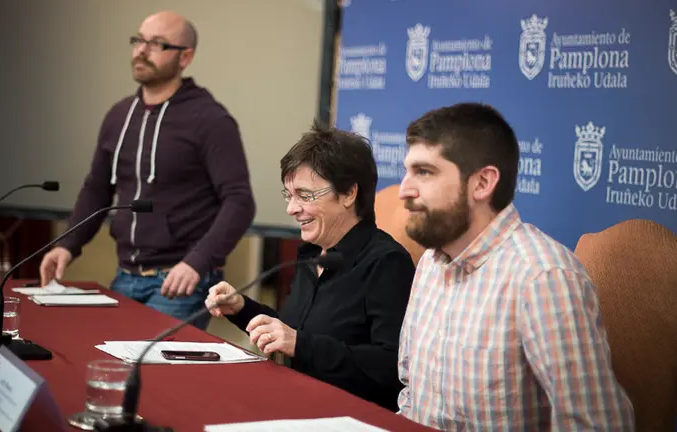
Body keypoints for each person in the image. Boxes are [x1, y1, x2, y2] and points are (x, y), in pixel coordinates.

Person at [396, 103, 635, 430]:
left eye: (424, 172)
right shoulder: (430, 264)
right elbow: (413, 397)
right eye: (407, 171)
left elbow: (596, 426)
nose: (404, 190)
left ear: (482, 183)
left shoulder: (543, 277)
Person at [39, 11, 255, 329]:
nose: (141, 50)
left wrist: (197, 262)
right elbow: (97, 188)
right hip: (125, 275)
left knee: (153, 374)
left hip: (179, 281)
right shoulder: (119, 115)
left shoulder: (209, 119)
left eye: (156, 44)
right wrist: (67, 244)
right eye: (138, 40)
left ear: (186, 57)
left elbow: (239, 201)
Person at [205, 122, 415, 411]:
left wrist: (300, 345)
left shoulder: (387, 263)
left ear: (348, 194)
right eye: (289, 195)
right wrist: (241, 308)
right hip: (291, 403)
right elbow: (297, 332)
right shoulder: (310, 255)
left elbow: (390, 367)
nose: (291, 208)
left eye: (304, 195)